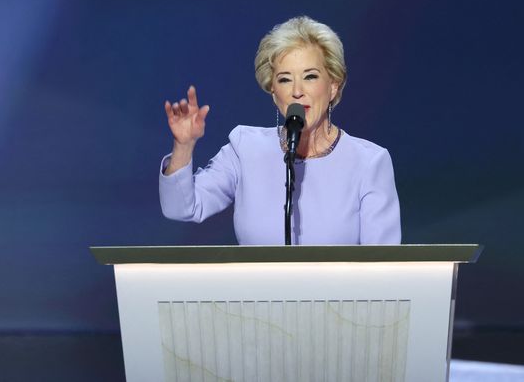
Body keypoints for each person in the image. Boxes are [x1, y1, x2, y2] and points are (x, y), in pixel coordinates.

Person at [159, 16, 401, 245]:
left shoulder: (369, 163)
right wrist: (183, 146)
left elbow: (384, 269)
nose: (297, 90)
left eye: (310, 76)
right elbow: (181, 208)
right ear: (274, 93)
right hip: (255, 290)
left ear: (333, 86)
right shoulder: (245, 149)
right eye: (285, 79)